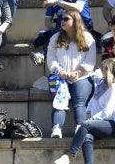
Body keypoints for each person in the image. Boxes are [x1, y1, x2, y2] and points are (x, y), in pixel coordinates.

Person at [53, 58, 115, 164]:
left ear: (107, 69)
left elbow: (107, 112)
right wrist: (88, 116)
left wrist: (91, 120)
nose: (101, 68)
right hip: (97, 123)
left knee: (86, 125)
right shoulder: (101, 85)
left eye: (103, 66)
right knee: (86, 138)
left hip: (111, 125)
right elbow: (90, 105)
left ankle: (69, 156)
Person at [30, 0, 94, 66]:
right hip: (63, 28)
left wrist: (57, 2)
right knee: (58, 25)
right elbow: (47, 21)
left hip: (83, 24)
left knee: (62, 22)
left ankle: (43, 55)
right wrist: (60, 27)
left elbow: (78, 8)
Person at [46, 9, 96, 138]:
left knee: (79, 101)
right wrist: (59, 71)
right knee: (59, 101)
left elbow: (90, 61)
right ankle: (56, 128)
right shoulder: (55, 38)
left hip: (82, 76)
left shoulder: (88, 38)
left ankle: (80, 127)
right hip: (60, 76)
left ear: (75, 21)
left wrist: (78, 72)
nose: (62, 21)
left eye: (66, 19)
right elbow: (51, 58)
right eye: (61, 19)